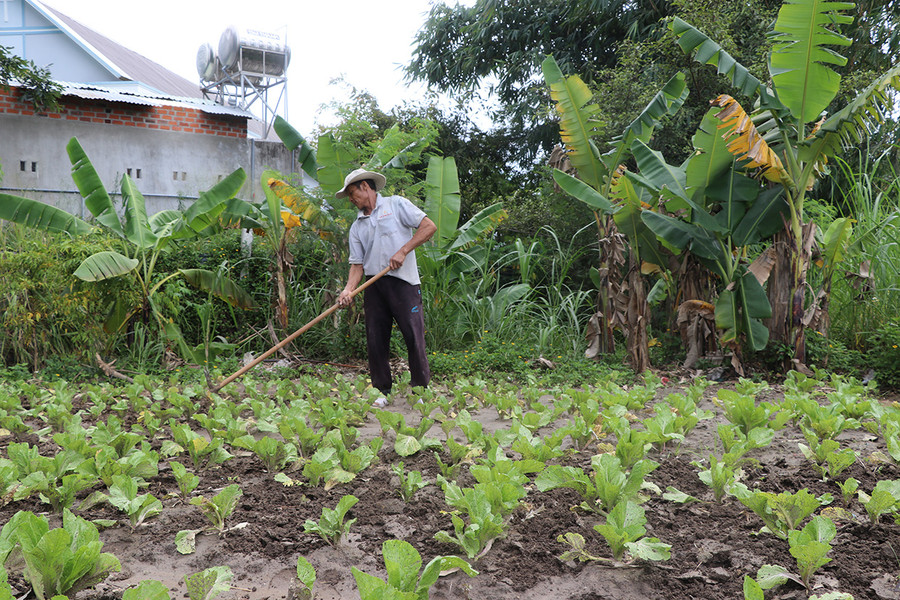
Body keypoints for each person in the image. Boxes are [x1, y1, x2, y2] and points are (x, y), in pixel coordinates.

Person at [336, 168, 437, 407]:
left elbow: (428, 226)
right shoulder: (357, 226)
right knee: (376, 339)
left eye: (353, 193)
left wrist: (403, 250)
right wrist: (349, 289)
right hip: (374, 286)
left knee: (413, 336)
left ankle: (420, 391)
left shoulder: (396, 205)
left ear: (365, 187)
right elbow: (357, 265)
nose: (351, 200)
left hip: (404, 283)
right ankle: (381, 390)